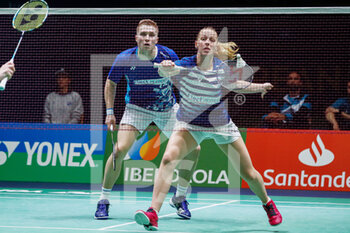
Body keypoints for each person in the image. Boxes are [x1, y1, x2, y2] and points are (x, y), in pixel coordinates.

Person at [134, 27, 282, 231]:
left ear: (214, 46)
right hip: (189, 124)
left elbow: (237, 84)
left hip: (220, 125)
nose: (206, 42)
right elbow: (165, 71)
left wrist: (261, 86)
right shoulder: (185, 64)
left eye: (211, 40)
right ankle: (153, 212)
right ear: (196, 43)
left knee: (248, 173)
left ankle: (268, 204)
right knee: (168, 159)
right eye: (203, 39)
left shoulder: (221, 68)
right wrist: (166, 66)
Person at [95, 19, 200, 220]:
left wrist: (173, 69)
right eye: (143, 34)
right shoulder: (125, 58)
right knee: (119, 150)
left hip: (167, 109)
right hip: (137, 109)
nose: (147, 38)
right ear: (136, 38)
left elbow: (181, 80)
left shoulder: (168, 55)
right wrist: (110, 111)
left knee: (194, 149)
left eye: (151, 35)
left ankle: (179, 197)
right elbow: (111, 83)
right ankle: (103, 200)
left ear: (156, 39)